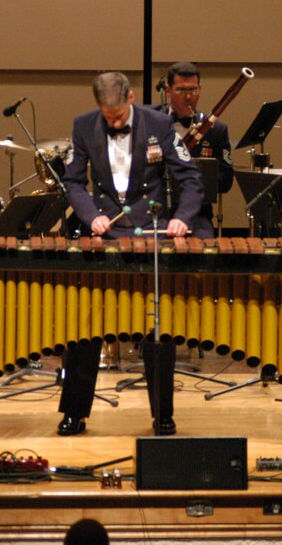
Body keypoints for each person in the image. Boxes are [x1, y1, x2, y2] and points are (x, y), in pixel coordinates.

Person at [58, 71, 204, 437]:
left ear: (132, 97)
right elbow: (72, 181)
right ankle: (74, 412)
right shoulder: (83, 126)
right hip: (105, 234)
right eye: (109, 118)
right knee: (86, 325)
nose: (116, 122)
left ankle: (163, 414)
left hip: (150, 235)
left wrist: (182, 219)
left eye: (120, 115)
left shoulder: (159, 123)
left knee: (159, 327)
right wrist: (90, 216)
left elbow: (189, 177)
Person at [153, 61, 233, 236]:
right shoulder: (151, 122)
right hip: (156, 210)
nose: (188, 97)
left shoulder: (216, 129)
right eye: (181, 90)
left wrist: (194, 176)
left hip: (197, 214)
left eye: (193, 90)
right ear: (168, 90)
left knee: (203, 245)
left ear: (200, 89)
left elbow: (226, 181)